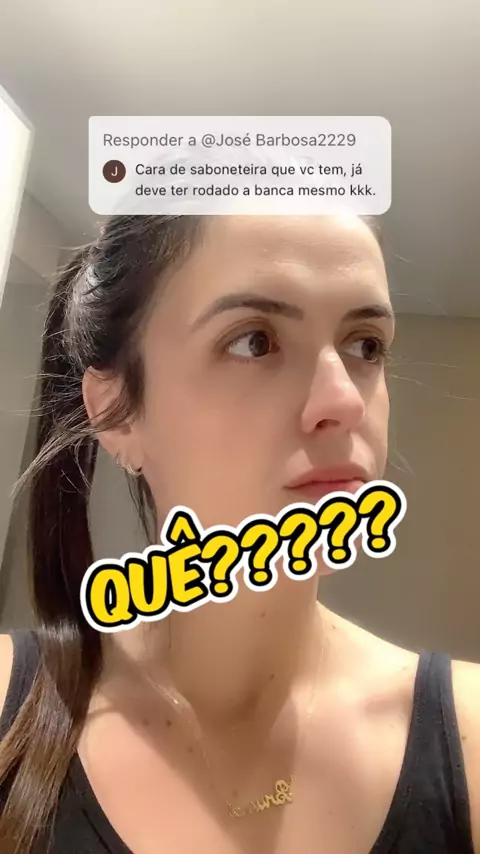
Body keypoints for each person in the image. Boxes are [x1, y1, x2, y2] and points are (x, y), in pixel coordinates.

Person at [0, 214, 479, 854]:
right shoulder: (10, 711)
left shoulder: (469, 738)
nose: (344, 401)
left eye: (365, 345)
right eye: (254, 341)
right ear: (115, 412)